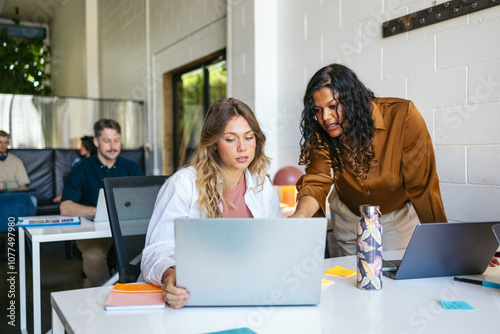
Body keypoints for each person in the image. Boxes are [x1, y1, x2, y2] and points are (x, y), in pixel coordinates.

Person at [289, 63, 448, 257]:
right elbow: (316, 180)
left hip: (395, 219)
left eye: (332, 106)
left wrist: (447, 243)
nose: (326, 117)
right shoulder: (321, 130)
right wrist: (300, 216)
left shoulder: (402, 116)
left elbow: (423, 187)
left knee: (394, 281)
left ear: (353, 100)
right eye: (317, 110)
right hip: (348, 217)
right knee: (350, 281)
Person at [141, 98, 282, 309]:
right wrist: (170, 276)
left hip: (249, 290)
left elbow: (276, 244)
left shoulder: (262, 185)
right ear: (214, 143)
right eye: (230, 139)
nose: (242, 147)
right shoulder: (184, 184)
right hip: (196, 291)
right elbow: (156, 251)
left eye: (248, 137)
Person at [60, 119, 143, 286]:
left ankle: (130, 292)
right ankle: (105, 293)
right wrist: (99, 211)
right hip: (93, 232)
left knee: (148, 251)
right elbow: (65, 207)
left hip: (127, 231)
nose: (113, 146)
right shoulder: (81, 168)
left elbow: (142, 202)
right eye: (107, 141)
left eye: (116, 140)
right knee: (94, 257)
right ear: (96, 142)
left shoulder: (132, 167)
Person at [53, 135, 97, 203]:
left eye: (82, 145)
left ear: (88, 147)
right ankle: (62, 195)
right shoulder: (78, 162)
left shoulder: (97, 163)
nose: (80, 148)